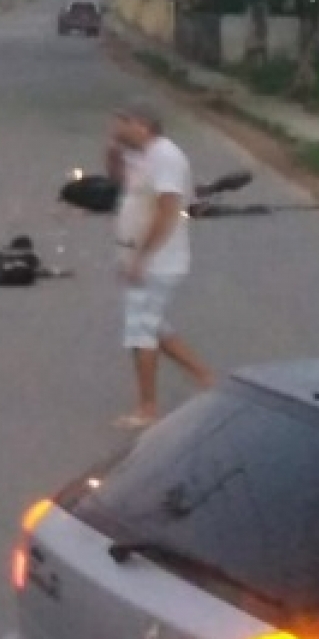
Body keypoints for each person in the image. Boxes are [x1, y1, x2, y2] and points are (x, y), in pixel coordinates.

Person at [111, 99, 213, 430]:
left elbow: (168, 212)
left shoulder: (166, 157)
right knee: (154, 326)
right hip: (139, 255)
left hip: (158, 260)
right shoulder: (141, 155)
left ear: (142, 125)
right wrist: (113, 153)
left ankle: (147, 408)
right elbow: (120, 183)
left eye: (122, 122)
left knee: (141, 331)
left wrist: (142, 258)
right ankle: (207, 379)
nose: (116, 128)